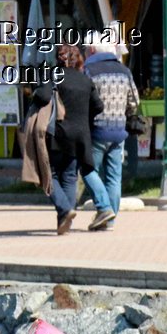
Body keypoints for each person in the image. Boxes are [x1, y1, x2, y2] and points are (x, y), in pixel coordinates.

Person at [29, 44, 113, 234]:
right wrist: (83, 116)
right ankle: (64, 220)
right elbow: (98, 107)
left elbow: (42, 96)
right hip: (81, 136)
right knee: (68, 177)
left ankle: (65, 209)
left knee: (47, 175)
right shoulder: (85, 80)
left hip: (58, 133)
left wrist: (34, 95)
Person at [84, 31, 139, 232]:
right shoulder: (124, 71)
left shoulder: (88, 70)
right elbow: (135, 101)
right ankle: (110, 221)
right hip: (118, 131)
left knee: (88, 169)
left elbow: (84, 99)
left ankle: (104, 208)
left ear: (91, 49)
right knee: (114, 176)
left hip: (96, 130)